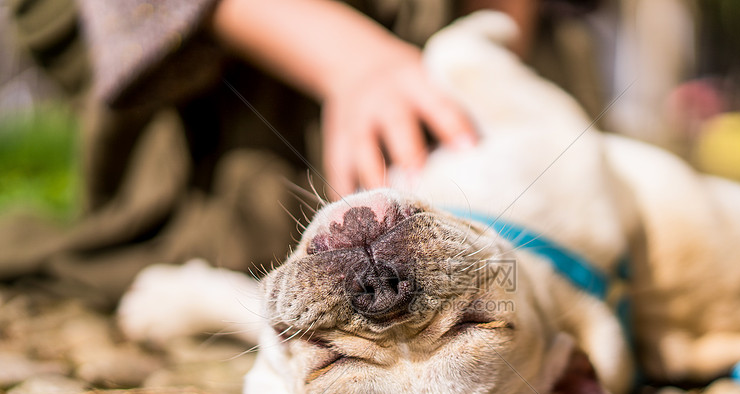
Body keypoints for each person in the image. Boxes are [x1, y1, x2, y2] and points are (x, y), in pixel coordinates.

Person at [1, 0, 599, 308]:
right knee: (252, 236)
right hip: (229, 86)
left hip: (464, 58)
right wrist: (352, 61)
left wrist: (498, 61)